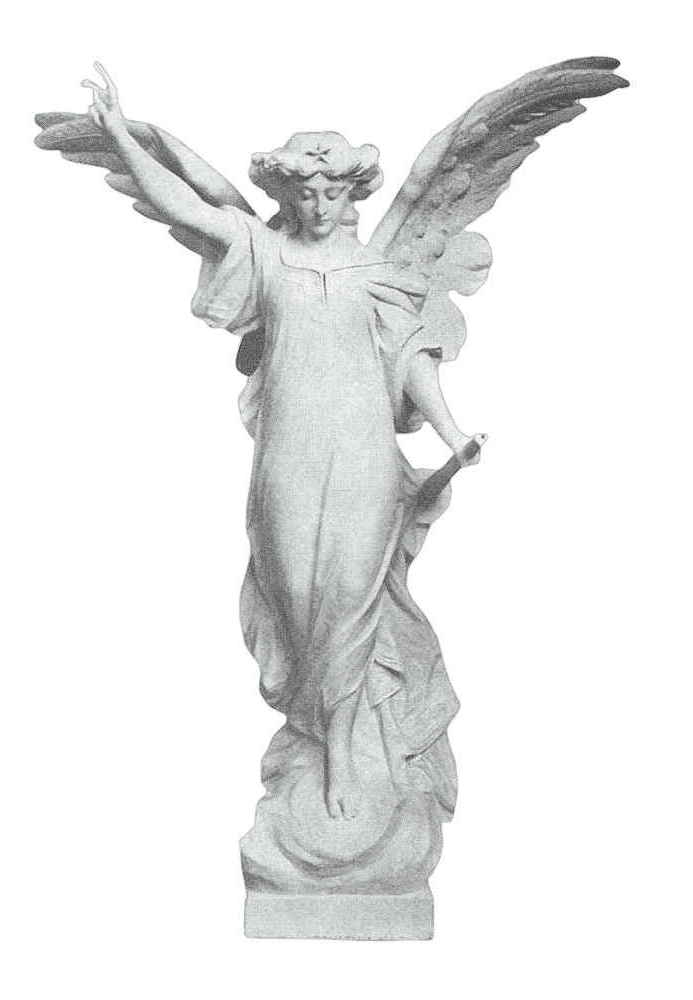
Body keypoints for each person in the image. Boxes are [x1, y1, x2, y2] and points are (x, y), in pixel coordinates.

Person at [83, 65, 483, 820]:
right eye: (306, 192)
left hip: (364, 455)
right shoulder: (264, 252)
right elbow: (183, 203)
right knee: (296, 596)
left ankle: (342, 759)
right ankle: (322, 730)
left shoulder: (377, 270)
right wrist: (120, 135)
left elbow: (410, 359)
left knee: (351, 603)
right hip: (289, 456)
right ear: (287, 194)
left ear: (354, 193)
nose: (320, 205)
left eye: (332, 192)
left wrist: (452, 434)